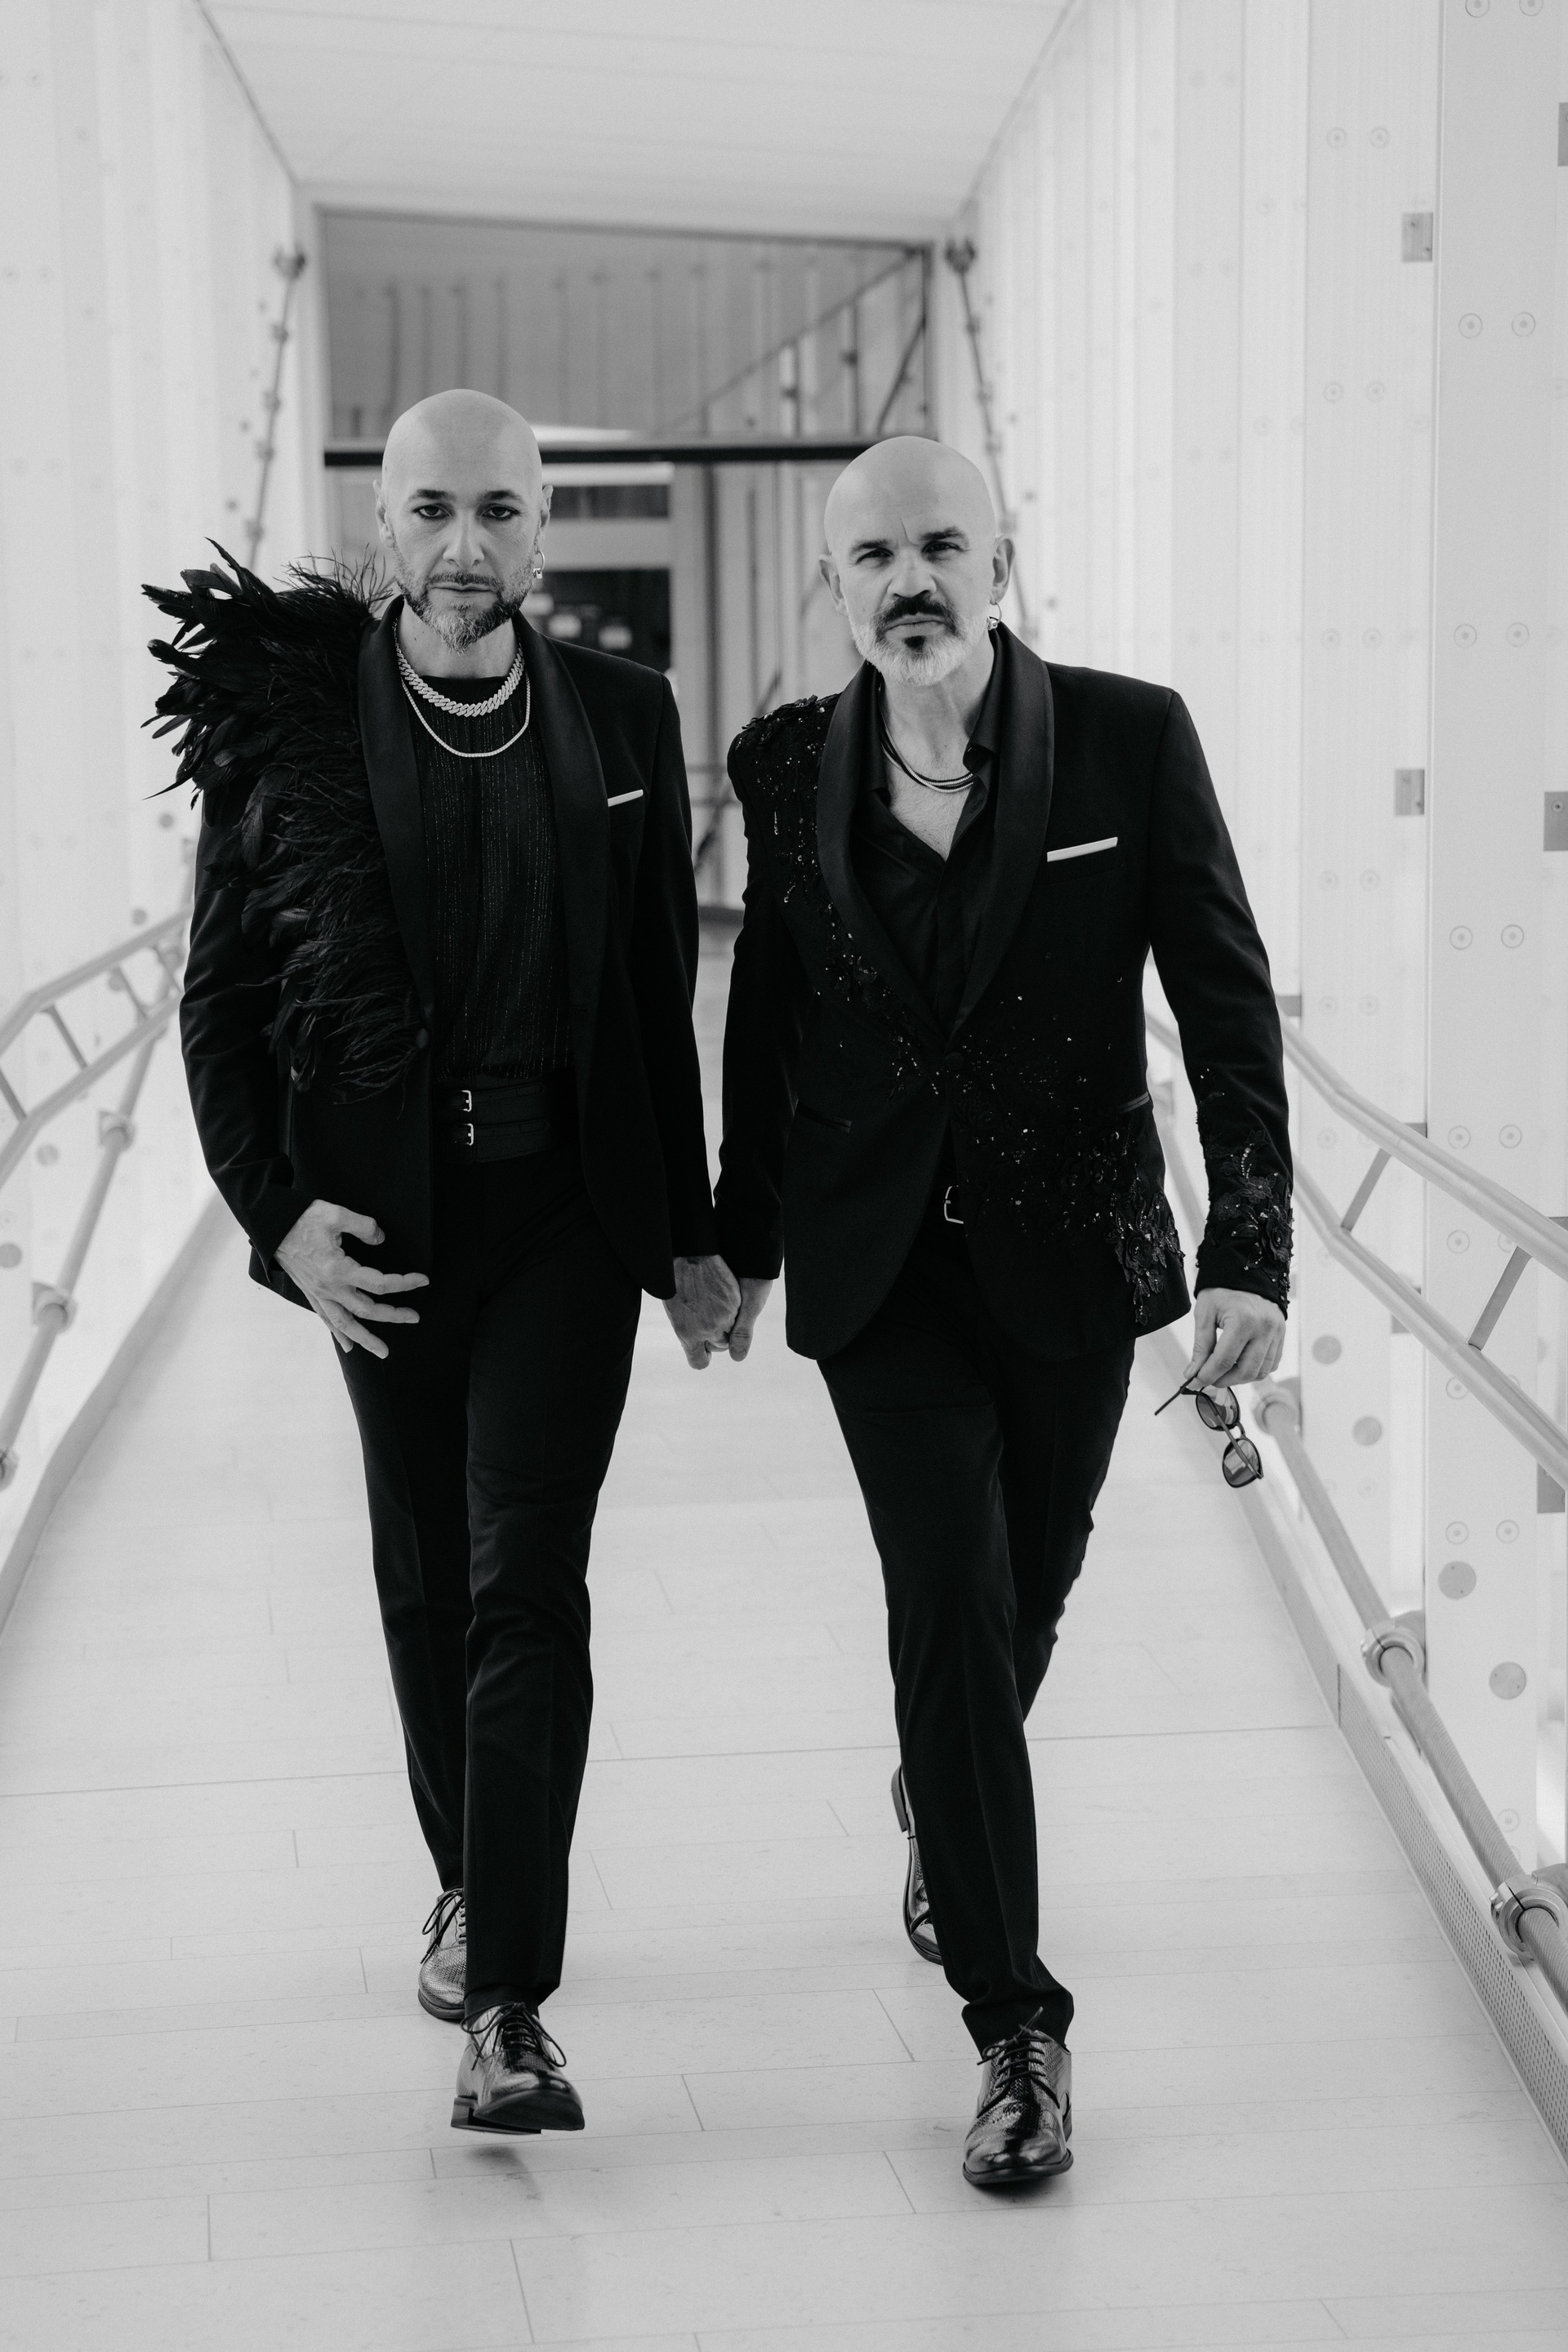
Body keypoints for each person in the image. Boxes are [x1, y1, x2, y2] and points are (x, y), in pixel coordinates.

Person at [150, 390, 739, 2140]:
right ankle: (469, 1880)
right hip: (386, 1231)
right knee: (425, 1576)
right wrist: (275, 1217)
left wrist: (690, 1236)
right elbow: (220, 1004)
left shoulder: (626, 715)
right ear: (384, 523)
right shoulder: (293, 730)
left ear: (541, 523)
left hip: (567, 1211)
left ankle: (511, 2006)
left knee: (525, 1579)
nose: (467, 547)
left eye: (499, 511)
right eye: (432, 511)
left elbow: (655, 997)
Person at [715, 436, 1290, 2189]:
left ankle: (941, 1794)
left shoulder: (1128, 738)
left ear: (1001, 562)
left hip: (1071, 1250)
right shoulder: (785, 762)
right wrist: (738, 1238)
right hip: (879, 1264)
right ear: (839, 585)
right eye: (874, 555)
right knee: (948, 1596)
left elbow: (1225, 995)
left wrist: (1250, 1248)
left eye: (940, 547)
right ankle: (1016, 2028)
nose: (911, 580)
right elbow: (767, 1011)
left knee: (1029, 1583)